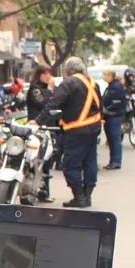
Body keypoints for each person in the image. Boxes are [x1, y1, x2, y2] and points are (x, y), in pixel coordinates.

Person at [33, 57, 102, 208]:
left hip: (77, 130)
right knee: (90, 162)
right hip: (93, 128)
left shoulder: (69, 83)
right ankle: (87, 196)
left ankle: (79, 197)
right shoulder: (92, 83)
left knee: (70, 164)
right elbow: (99, 105)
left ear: (68, 70)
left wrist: (38, 121)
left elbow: (53, 103)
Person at [25, 65, 56, 203]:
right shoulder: (35, 89)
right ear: (40, 75)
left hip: (48, 128)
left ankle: (44, 192)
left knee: (47, 161)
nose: (49, 76)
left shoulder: (43, 88)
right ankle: (31, 190)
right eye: (46, 74)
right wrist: (49, 89)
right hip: (37, 129)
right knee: (35, 161)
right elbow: (43, 103)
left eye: (50, 74)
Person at [100, 70, 127, 171]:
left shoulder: (116, 87)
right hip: (110, 115)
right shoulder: (111, 86)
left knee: (115, 139)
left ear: (111, 76)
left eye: (105, 75)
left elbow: (112, 101)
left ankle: (116, 162)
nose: (104, 77)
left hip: (114, 115)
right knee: (111, 139)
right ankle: (113, 161)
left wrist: (106, 109)